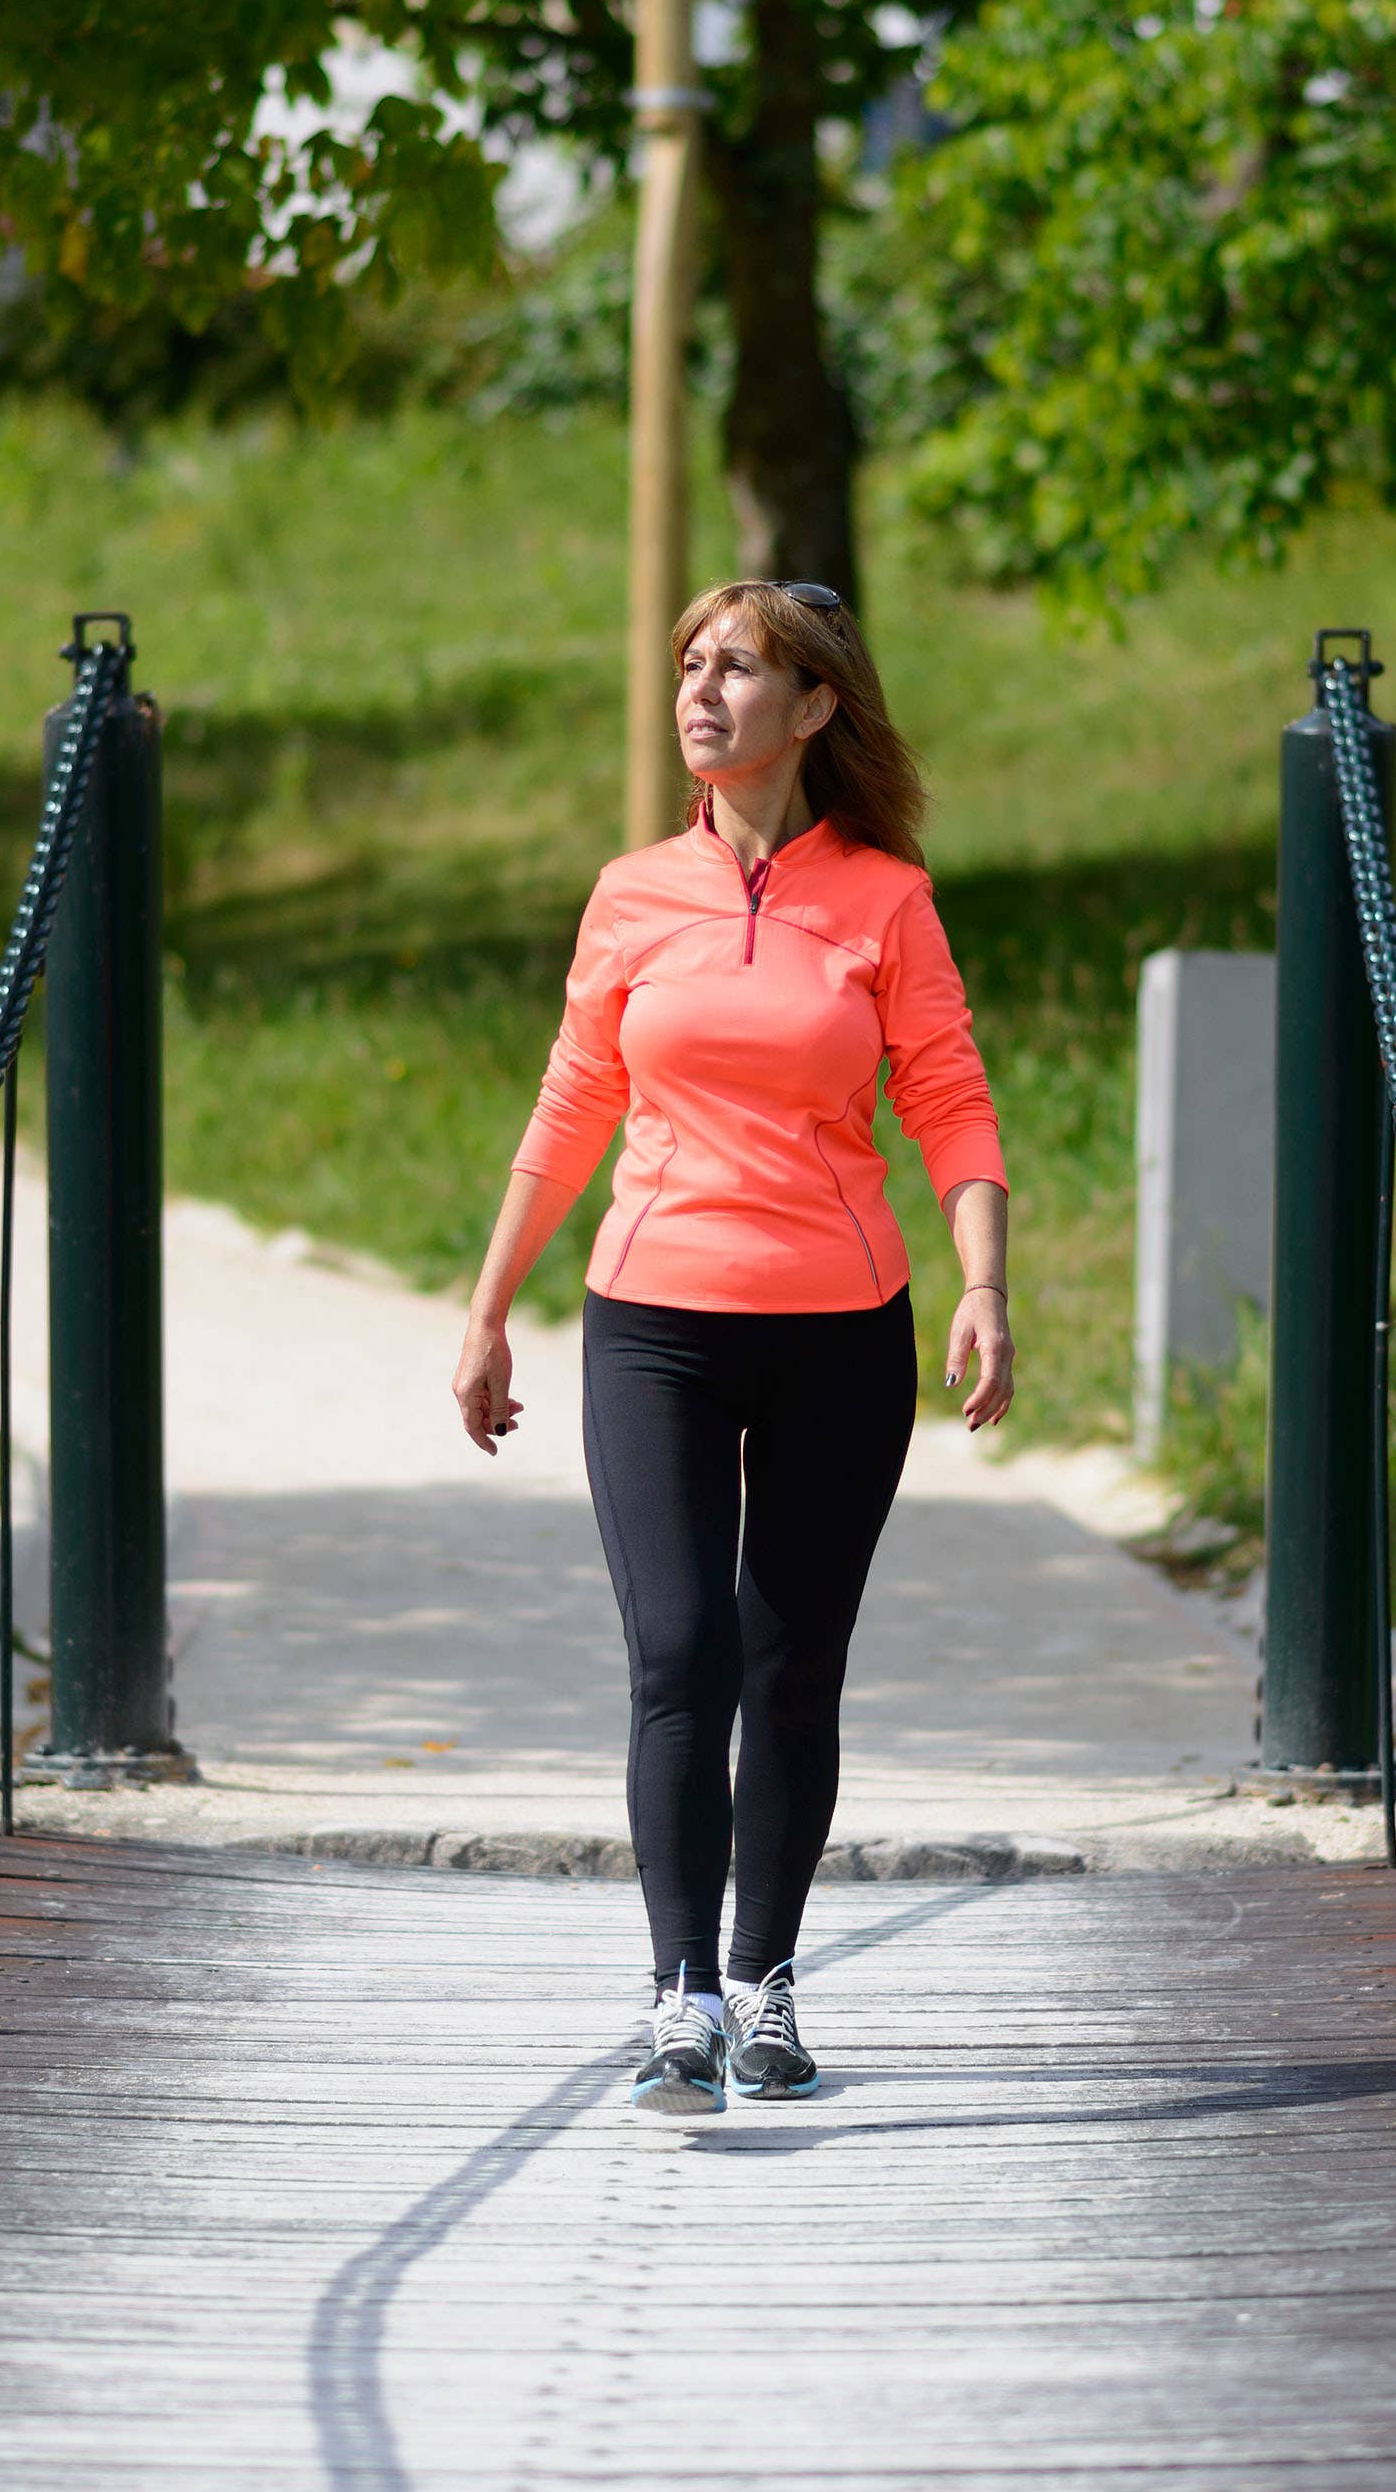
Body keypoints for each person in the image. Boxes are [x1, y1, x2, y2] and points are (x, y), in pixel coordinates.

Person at [449, 579, 1014, 2117]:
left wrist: (983, 1285)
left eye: (738, 668)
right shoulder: (635, 892)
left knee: (793, 1663)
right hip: (656, 1332)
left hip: (842, 1330)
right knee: (680, 1651)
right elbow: (572, 1103)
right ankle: (679, 1993)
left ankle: (765, 1986)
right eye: (689, 664)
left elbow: (950, 1097)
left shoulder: (884, 900)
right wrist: (491, 1307)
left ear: (814, 707)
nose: (700, 691)